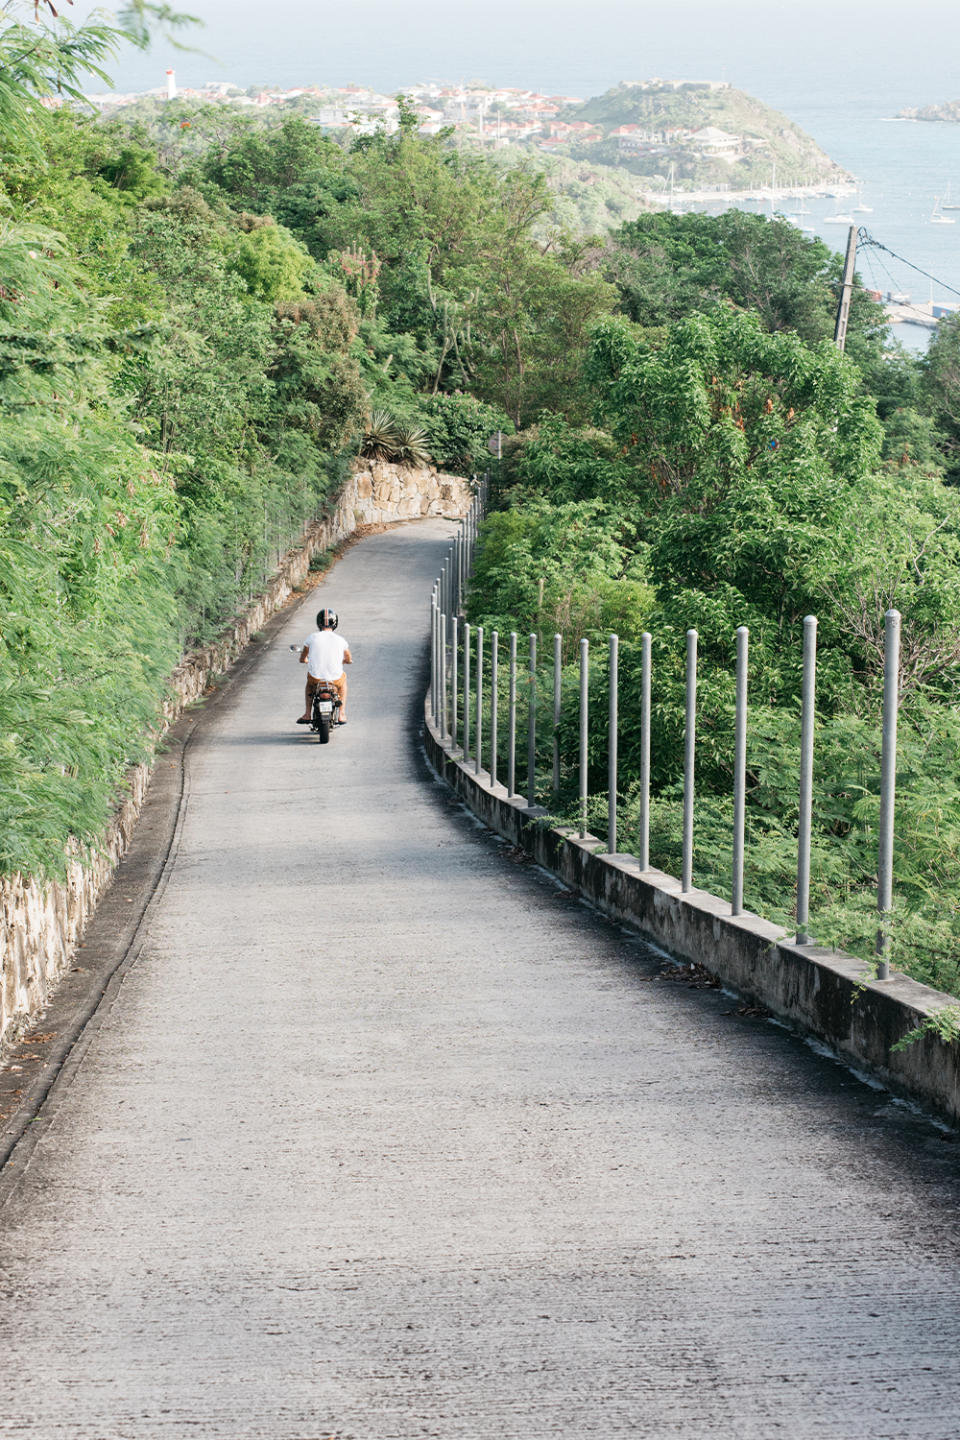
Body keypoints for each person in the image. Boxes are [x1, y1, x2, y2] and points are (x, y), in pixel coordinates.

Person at [297, 608, 352, 725]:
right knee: (343, 683)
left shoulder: (312, 637)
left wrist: (304, 659)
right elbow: (348, 658)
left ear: (318, 622)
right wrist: (345, 661)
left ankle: (307, 714)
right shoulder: (341, 640)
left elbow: (303, 656)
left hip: (316, 678)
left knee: (309, 685)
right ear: (335, 623)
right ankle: (341, 714)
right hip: (335, 679)